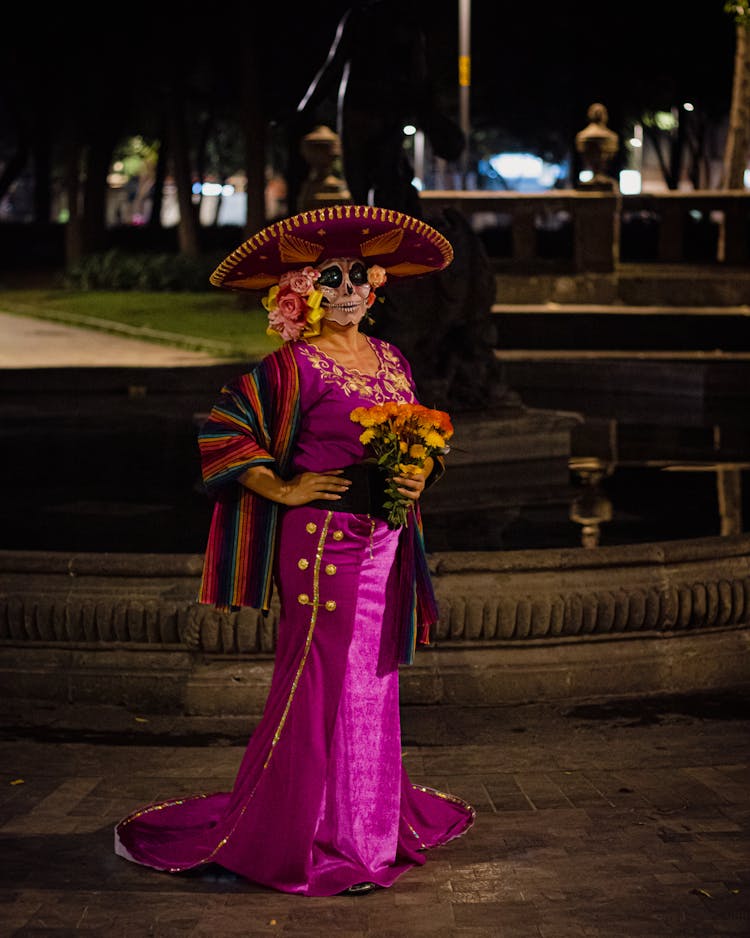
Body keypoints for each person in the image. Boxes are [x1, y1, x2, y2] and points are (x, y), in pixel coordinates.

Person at [114, 204, 474, 897]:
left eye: (360, 276)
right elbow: (225, 433)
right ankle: (299, 833)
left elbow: (426, 440)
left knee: (371, 681)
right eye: (330, 277)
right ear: (302, 291)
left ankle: (364, 828)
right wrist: (282, 489)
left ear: (377, 286)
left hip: (387, 543)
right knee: (317, 682)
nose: (347, 290)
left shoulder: (392, 360)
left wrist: (422, 470)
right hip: (324, 549)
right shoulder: (289, 366)